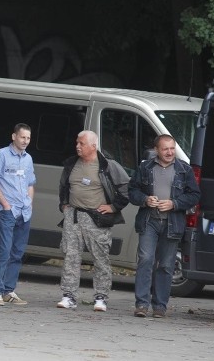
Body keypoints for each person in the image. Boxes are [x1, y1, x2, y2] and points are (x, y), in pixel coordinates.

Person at [128, 134, 200, 318]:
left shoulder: (184, 169)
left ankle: (160, 306)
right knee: (145, 260)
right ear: (156, 150)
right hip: (149, 221)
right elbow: (132, 190)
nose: (169, 152)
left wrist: (174, 203)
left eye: (172, 148)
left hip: (172, 223)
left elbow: (194, 195)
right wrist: (145, 199)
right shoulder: (145, 167)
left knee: (166, 265)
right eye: (165, 149)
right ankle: (142, 304)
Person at [57, 130, 129, 312]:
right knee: (70, 256)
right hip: (73, 216)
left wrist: (113, 207)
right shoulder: (72, 163)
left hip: (96, 218)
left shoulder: (107, 166)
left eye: (81, 143)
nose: (77, 146)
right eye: (77, 143)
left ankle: (101, 297)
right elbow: (64, 186)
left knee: (100, 258)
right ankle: (68, 296)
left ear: (93, 146)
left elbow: (127, 189)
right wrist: (64, 204)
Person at [0, 123, 35, 306]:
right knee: (4, 251)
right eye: (22, 137)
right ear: (14, 136)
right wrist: (5, 204)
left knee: (17, 253)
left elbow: (30, 183)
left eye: (28, 138)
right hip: (8, 211)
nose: (25, 141)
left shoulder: (28, 158)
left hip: (24, 212)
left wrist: (29, 203)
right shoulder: (1, 155)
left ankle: (9, 290)